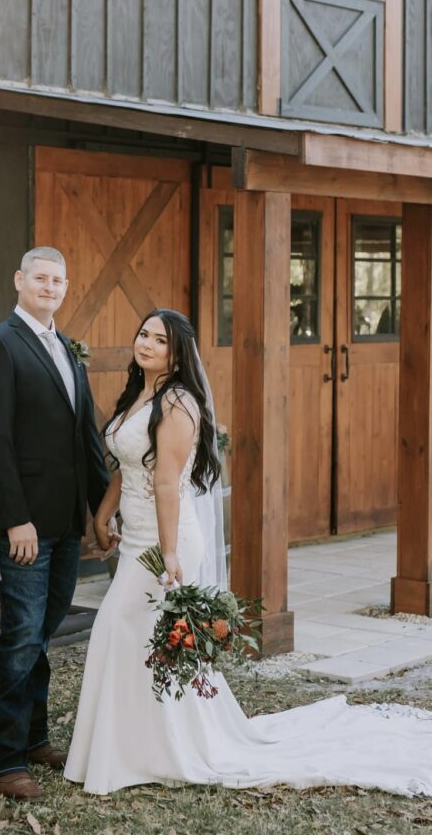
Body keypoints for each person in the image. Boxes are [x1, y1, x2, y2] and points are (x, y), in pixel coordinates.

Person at [65, 308, 432, 797]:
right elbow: (126, 465)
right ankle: (135, 747)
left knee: (120, 627)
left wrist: (170, 553)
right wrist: (102, 514)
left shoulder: (177, 403)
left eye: (159, 339)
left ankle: (162, 748)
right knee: (136, 640)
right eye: (143, 334)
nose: (146, 343)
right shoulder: (139, 395)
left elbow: (168, 482)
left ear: (177, 355)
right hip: (134, 538)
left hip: (164, 542)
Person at [0, 246, 108, 801]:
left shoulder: (67, 349)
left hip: (67, 521)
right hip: (24, 525)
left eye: (59, 280)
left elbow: (85, 440)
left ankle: (35, 737)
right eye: (41, 278)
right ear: (19, 279)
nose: (51, 287)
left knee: (44, 634)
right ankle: (6, 759)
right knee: (21, 635)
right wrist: (15, 521)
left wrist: (101, 511)